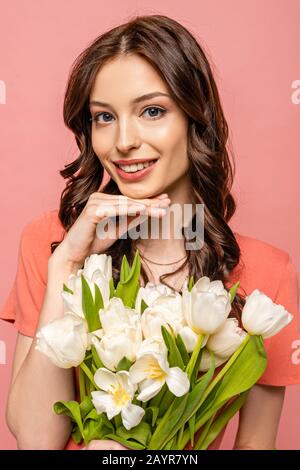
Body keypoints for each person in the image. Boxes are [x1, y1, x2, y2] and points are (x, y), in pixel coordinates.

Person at [1, 14, 299, 451]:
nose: (123, 141)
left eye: (152, 111)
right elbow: (35, 438)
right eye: (104, 117)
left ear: (196, 120)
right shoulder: (51, 241)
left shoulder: (266, 272)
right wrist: (67, 262)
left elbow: (255, 444)